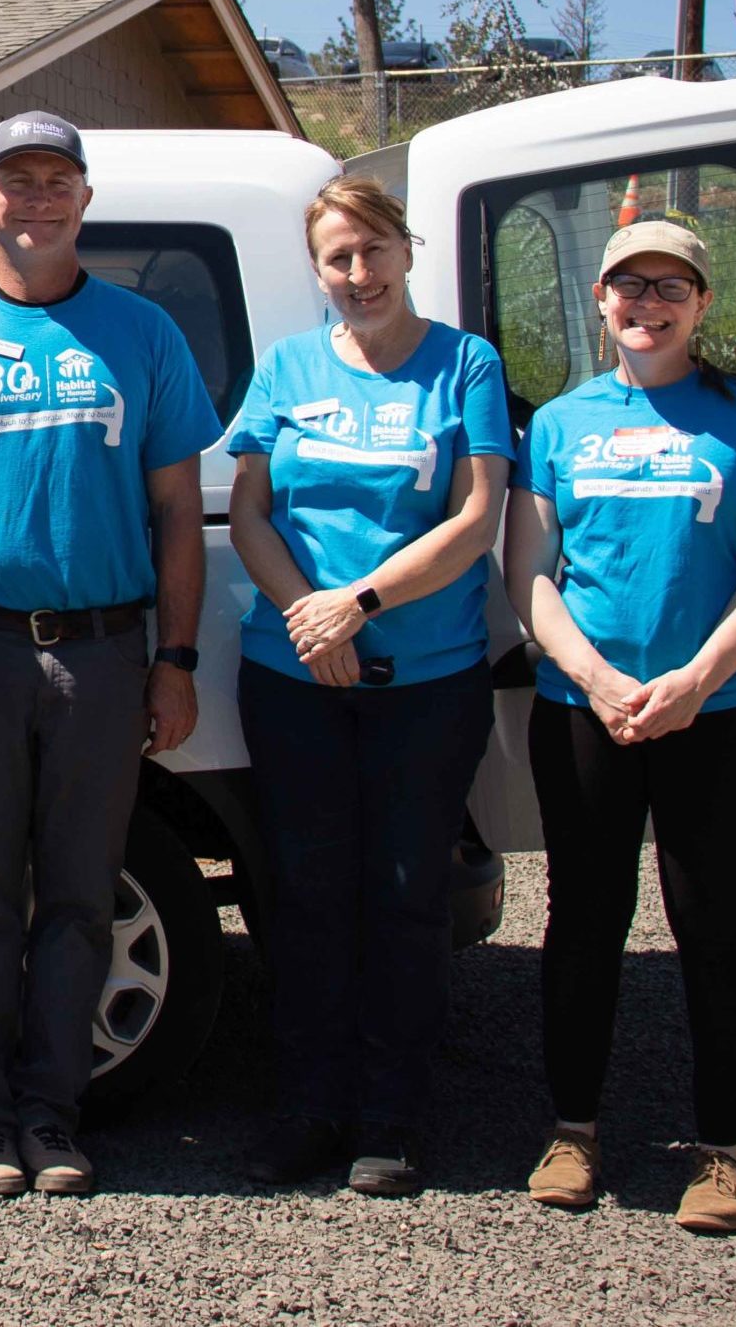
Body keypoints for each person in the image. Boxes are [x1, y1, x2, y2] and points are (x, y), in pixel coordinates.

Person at [0, 110, 221, 1198]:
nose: (34, 199)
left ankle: (54, 1114)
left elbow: (175, 511)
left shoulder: (143, 333)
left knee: (79, 894)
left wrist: (176, 658)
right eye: (13, 180)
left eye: (54, 179)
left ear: (83, 197)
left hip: (108, 654)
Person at [504, 220, 736, 1235]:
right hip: (585, 714)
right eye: (627, 286)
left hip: (715, 715)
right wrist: (592, 678)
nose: (647, 303)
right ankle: (572, 1134)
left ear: (700, 304)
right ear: (599, 301)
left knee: (715, 929)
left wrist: (692, 679)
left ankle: (722, 1154)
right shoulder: (556, 423)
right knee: (584, 926)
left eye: (669, 286)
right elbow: (529, 574)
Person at [225, 176, 514, 1196]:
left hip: (424, 683)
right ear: (316, 270)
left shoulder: (464, 365)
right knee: (304, 899)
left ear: (404, 250)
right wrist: (309, 615)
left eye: (372, 252)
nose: (358, 275)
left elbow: (477, 520)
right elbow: (249, 510)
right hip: (293, 674)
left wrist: (360, 603)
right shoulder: (289, 367)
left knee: (403, 897)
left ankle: (390, 1117)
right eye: (337, 259)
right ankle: (306, 1107)